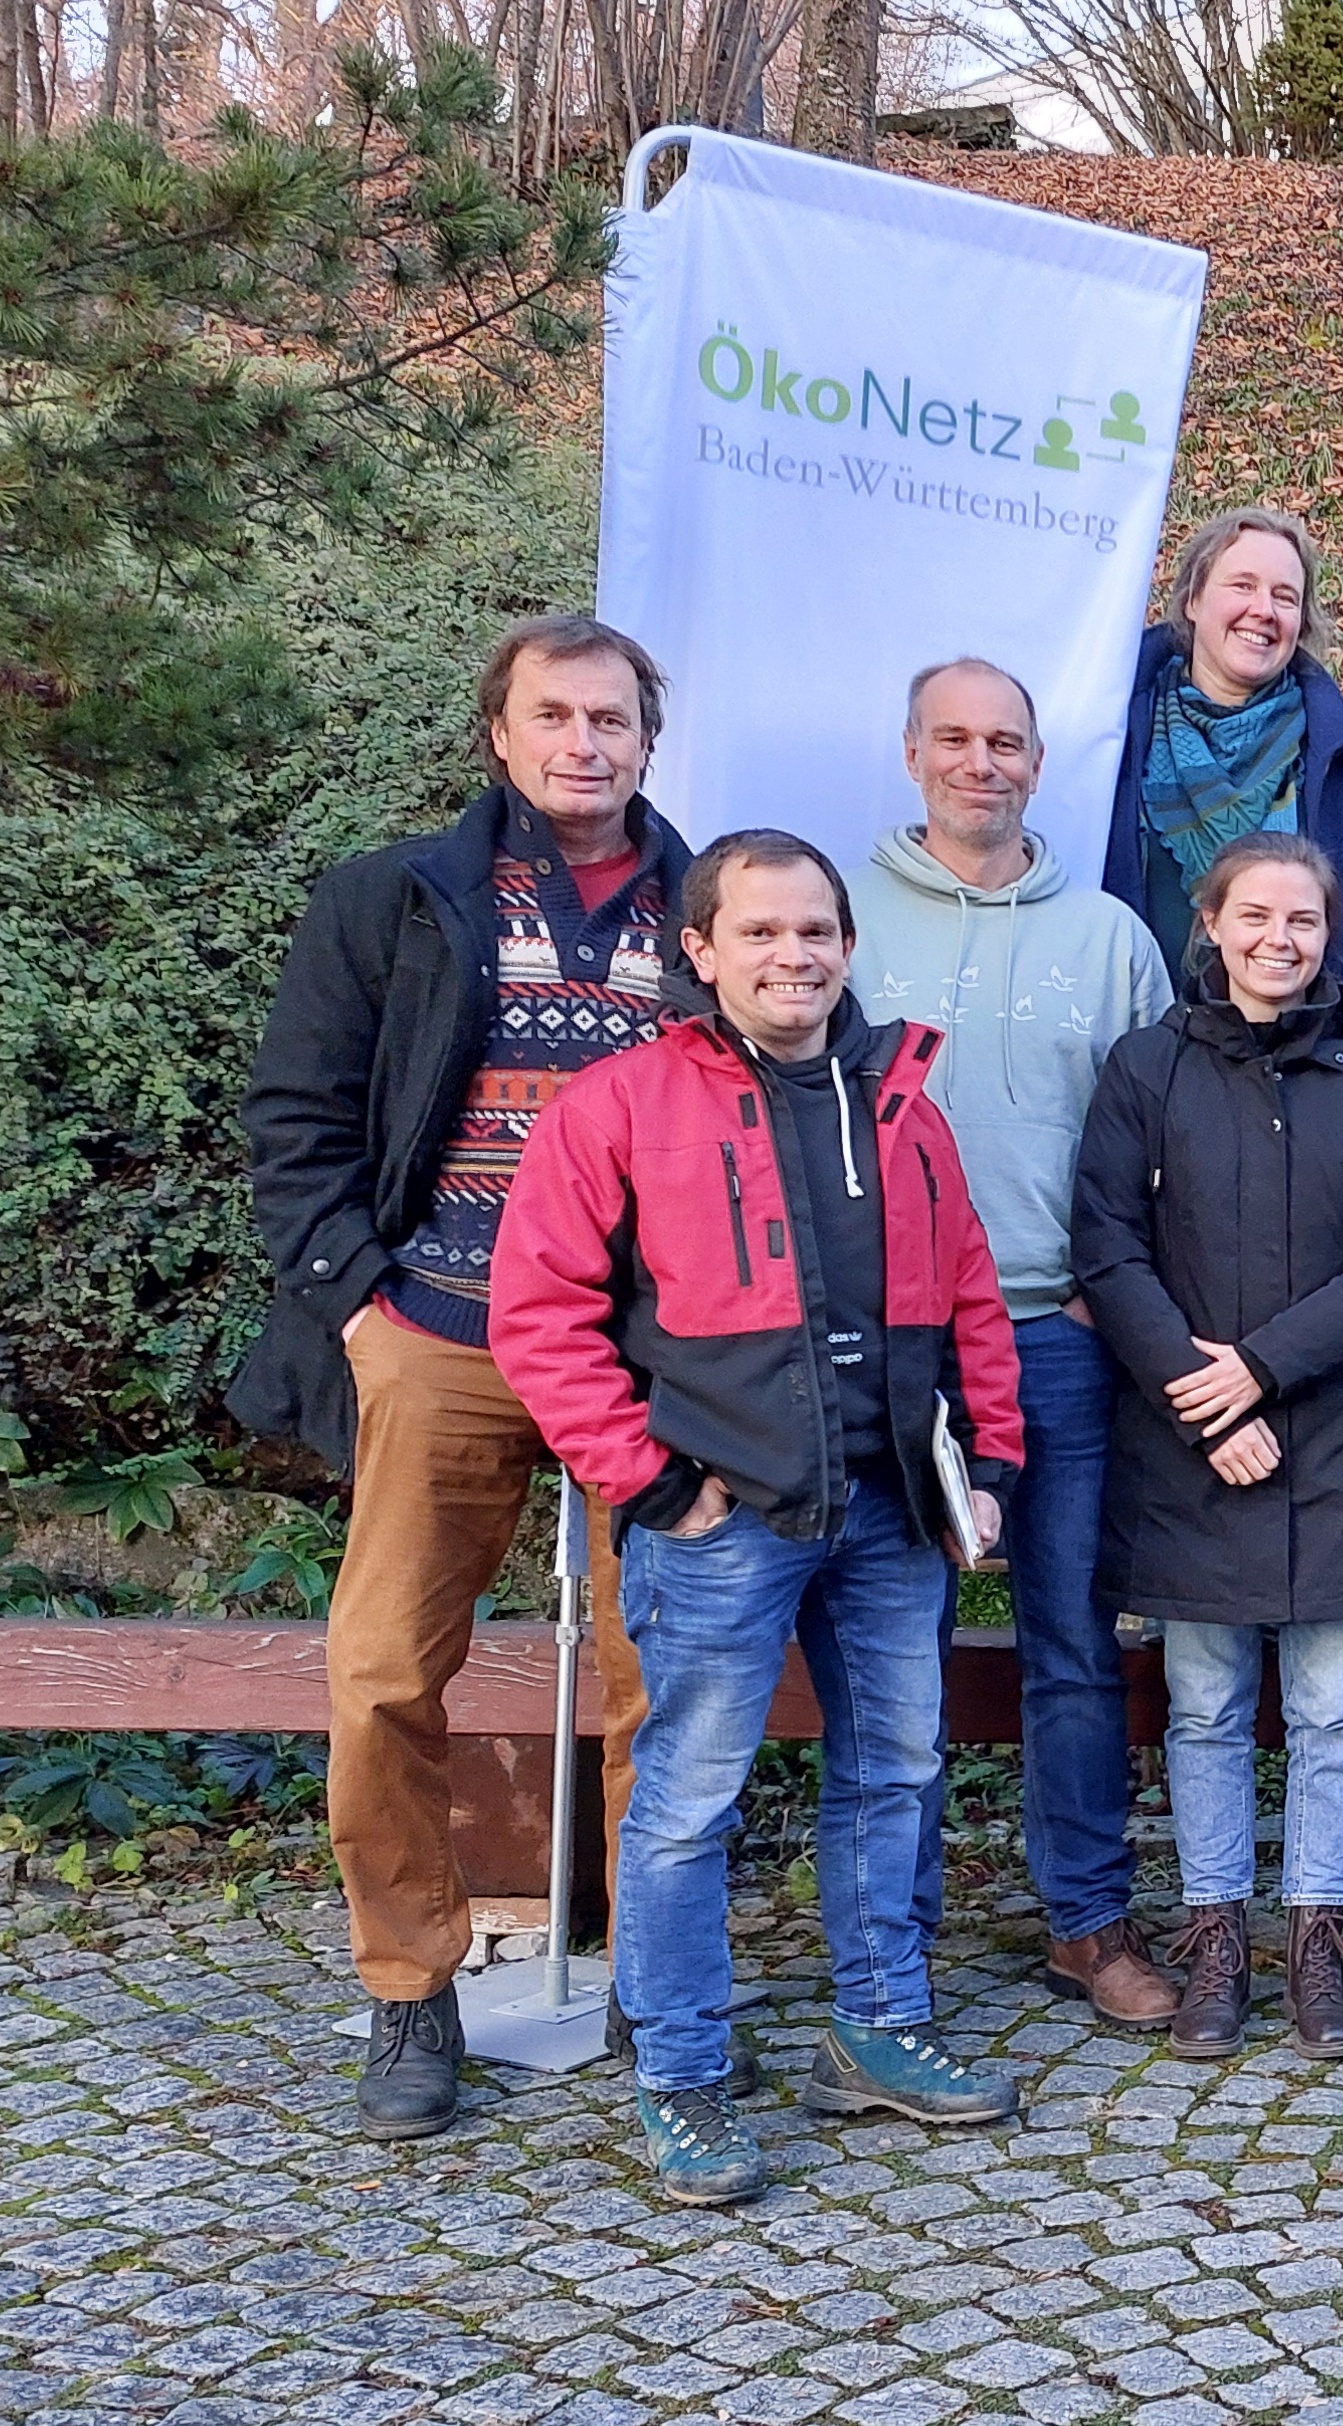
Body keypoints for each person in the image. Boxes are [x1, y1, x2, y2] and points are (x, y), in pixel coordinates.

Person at [493, 830, 1026, 2207]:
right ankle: (681, 2073)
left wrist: (990, 1463)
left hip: (894, 1510)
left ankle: (877, 2024)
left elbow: (968, 1293)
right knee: (687, 1805)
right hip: (724, 1516)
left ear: (848, 945)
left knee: (898, 1771)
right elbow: (540, 1318)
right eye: (762, 933)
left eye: (815, 932)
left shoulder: (902, 1102)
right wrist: (653, 1480)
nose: (792, 956)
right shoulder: (617, 1107)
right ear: (703, 949)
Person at [234, 615, 693, 2142]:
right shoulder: (395, 899)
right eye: (553, 714)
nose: (583, 742)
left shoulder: (710, 909)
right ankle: (409, 1986)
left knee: (666, 1681)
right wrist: (356, 1302)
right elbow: (296, 1117)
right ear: (499, 732)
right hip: (440, 1332)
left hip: (642, 1359)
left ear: (648, 737)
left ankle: (653, 1971)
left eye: (611, 718)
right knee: (379, 1675)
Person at [1069, 832, 1343, 2065]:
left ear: (1328, 935)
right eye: (1257, 916)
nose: (1279, 940)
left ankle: (1318, 1936)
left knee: (1336, 1712)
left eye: (1302, 920)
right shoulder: (1147, 1068)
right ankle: (1217, 1935)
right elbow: (1107, 1243)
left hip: (1342, 1433)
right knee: (1206, 1706)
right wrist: (1200, 1388)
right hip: (1190, 1438)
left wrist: (1264, 1372)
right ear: (1212, 920)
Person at [859, 658, 1177, 2029]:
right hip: (888, 1351)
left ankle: (1087, 1922)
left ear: (1041, 763)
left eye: (1006, 740)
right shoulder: (841, 918)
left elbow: (1170, 1143)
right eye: (954, 737)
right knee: (896, 1646)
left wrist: (1125, 1293)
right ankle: (894, 1940)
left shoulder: (1108, 937)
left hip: (1058, 1334)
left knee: (1071, 1642)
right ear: (913, 751)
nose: (980, 761)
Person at [1106, 504, 1343, 1043]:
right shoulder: (1117, 735)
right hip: (1142, 1065)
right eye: (1242, 586)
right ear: (1192, 601)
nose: (1263, 610)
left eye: (1285, 596)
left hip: (1305, 1077)